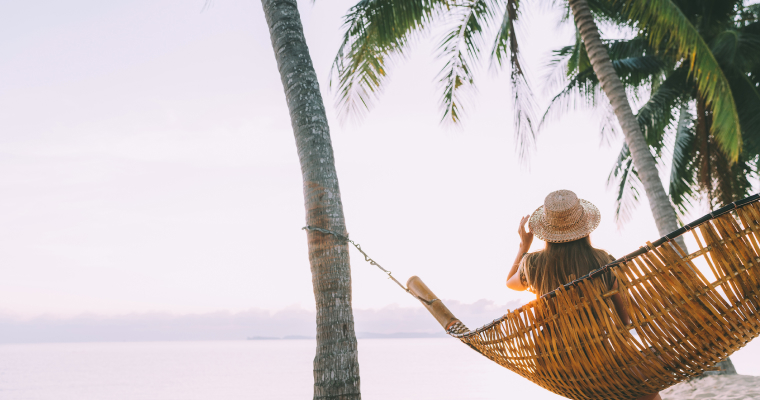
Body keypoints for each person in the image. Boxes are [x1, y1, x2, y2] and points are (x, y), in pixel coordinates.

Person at [505, 189, 661, 400]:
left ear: (547, 231)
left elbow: (510, 282)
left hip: (554, 366)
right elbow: (625, 319)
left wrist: (524, 246)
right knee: (648, 390)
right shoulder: (603, 261)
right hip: (598, 358)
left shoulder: (532, 264)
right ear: (585, 227)